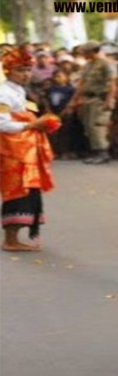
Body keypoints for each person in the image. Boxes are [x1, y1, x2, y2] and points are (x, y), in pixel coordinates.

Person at [0, 48, 59, 252]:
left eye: (27, 70)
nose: (25, 74)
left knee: (29, 191)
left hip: (25, 150)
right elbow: (3, 124)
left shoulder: (19, 91)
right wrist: (33, 125)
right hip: (13, 152)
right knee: (17, 191)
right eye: (20, 70)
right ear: (8, 71)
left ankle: (15, 238)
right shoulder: (4, 93)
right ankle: (10, 239)